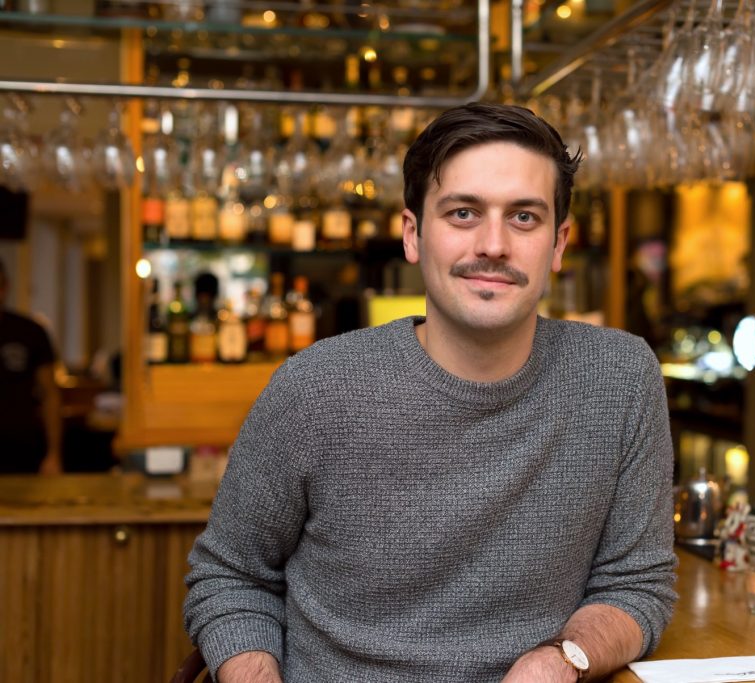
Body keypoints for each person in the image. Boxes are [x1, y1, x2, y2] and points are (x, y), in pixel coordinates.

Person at [184, 102, 677, 682]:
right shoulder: (315, 388)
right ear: (414, 234)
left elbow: (638, 582)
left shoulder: (620, 378)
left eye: (524, 217)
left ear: (560, 243)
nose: (494, 244)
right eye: (463, 213)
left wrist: (564, 659)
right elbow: (230, 575)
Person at [0, 258, 62, 475]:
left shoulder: (30, 332)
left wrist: (54, 453)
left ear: (5, 287)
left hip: (22, 447)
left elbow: (50, 394)